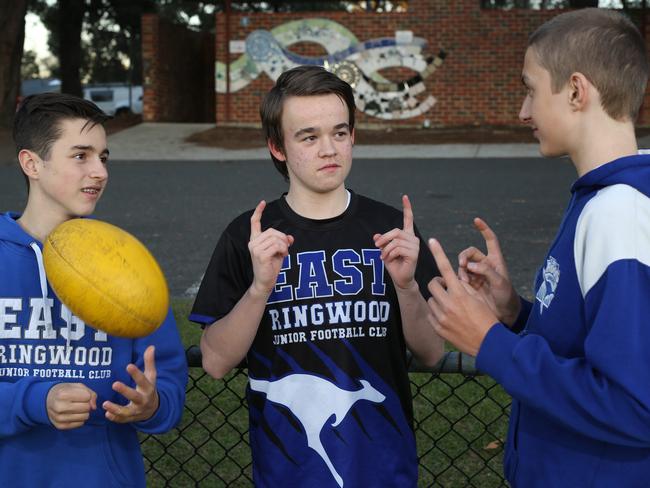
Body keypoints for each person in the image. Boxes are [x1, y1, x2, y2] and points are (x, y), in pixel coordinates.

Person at [425, 8, 650, 487]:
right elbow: (595, 344)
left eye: (530, 88)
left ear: (575, 90)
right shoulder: (607, 195)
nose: (523, 110)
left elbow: (635, 406)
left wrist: (490, 343)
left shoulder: (618, 213)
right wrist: (516, 314)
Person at [190, 65, 444, 487]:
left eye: (340, 133)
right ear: (278, 147)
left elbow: (432, 352)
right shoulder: (249, 236)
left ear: (353, 137)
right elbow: (215, 362)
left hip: (384, 470)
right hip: (288, 472)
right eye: (309, 136)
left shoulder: (391, 230)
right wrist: (259, 289)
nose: (329, 149)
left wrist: (407, 287)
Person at [0, 93, 188, 487]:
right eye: (80, 156)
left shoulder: (128, 264)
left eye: (103, 157)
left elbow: (167, 385)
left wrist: (153, 404)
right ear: (31, 163)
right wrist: (34, 401)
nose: (100, 172)